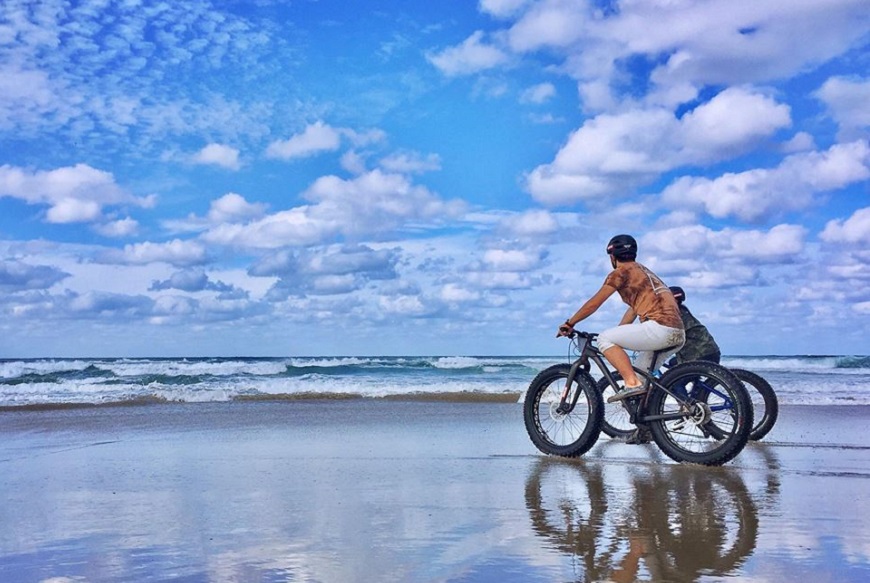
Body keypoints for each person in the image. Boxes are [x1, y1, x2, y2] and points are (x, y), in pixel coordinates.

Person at [558, 234, 686, 402]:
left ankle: (630, 383)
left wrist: (570, 323)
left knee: (604, 339)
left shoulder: (620, 273)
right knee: (642, 377)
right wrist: (619, 332)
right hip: (677, 333)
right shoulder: (645, 272)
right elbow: (633, 310)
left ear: (612, 256)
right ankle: (648, 424)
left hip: (658, 328)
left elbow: (594, 303)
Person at [668, 286, 722, 364]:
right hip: (711, 352)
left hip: (700, 355)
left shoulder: (677, 316)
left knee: (674, 368)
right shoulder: (683, 312)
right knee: (673, 363)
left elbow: (668, 336)